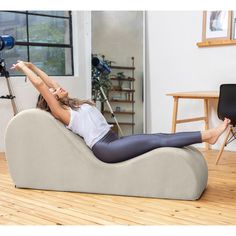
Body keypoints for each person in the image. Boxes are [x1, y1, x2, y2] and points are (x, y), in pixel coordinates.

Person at [11, 60, 231, 163]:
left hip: (112, 140)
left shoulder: (72, 104)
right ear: (52, 100)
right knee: (156, 141)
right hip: (106, 148)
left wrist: (32, 66)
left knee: (158, 136)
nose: (57, 87)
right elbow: (42, 85)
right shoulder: (62, 113)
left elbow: (46, 81)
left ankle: (207, 136)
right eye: (54, 90)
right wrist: (22, 69)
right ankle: (208, 135)